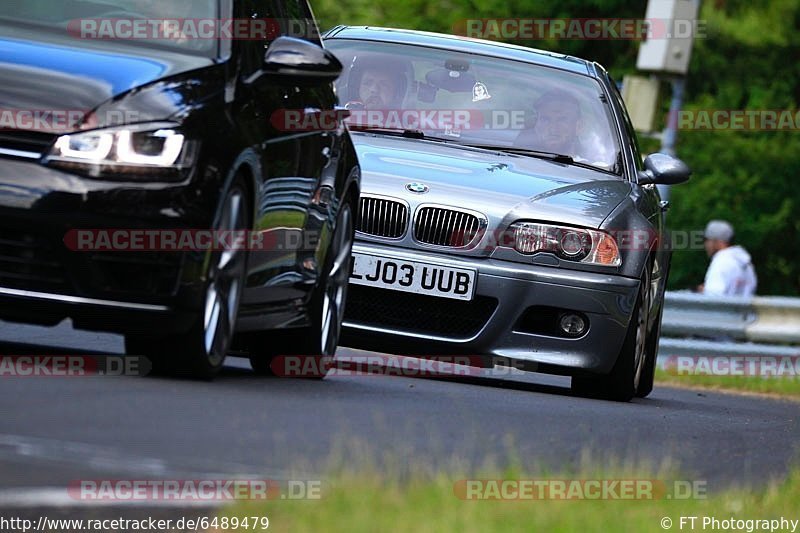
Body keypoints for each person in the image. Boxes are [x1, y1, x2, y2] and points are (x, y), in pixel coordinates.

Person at [514, 90, 614, 167]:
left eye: (562, 120)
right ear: (536, 125)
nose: (552, 128)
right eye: (545, 119)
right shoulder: (516, 163)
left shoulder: (594, 171)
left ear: (578, 126)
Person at [699, 220, 757, 297]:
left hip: (725, 309)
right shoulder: (745, 263)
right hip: (744, 309)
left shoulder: (721, 262)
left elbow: (712, 299)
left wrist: (705, 293)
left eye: (706, 239)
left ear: (717, 241)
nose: (705, 244)